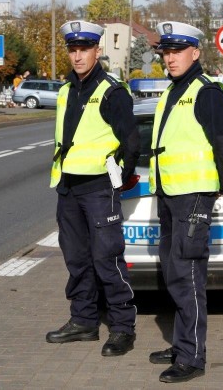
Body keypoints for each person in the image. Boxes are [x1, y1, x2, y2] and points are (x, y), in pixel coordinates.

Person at [148, 21, 223, 383]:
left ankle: (192, 357)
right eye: (166, 52)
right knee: (173, 273)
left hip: (193, 197)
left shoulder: (206, 92)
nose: (170, 58)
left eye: (177, 51)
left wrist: (221, 186)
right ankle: (182, 342)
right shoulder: (173, 91)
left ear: (195, 53)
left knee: (187, 276)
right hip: (171, 196)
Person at [46, 20, 140, 358]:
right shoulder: (65, 90)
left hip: (99, 188)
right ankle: (83, 320)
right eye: (72, 49)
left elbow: (132, 143)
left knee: (107, 260)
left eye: (84, 49)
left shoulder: (113, 91)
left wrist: (122, 179)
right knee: (77, 260)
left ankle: (122, 329)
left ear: (97, 51)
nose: (77, 55)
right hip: (68, 187)